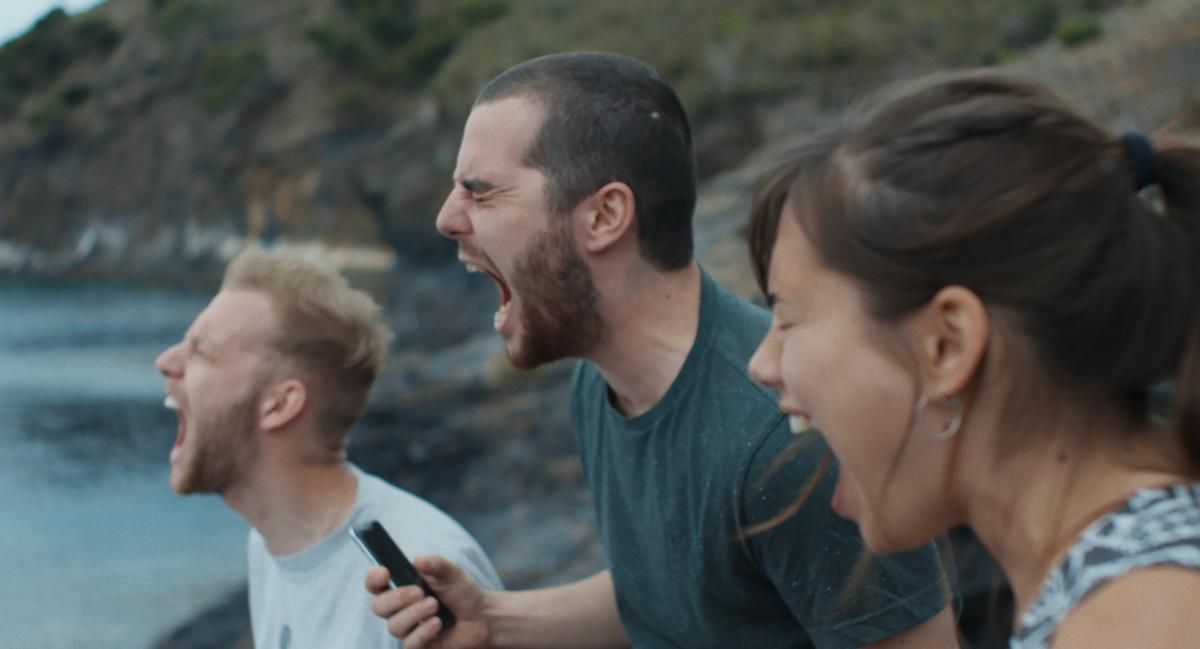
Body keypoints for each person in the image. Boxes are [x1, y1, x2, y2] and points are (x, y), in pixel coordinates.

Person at [366, 51, 957, 649]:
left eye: (480, 192)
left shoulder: (787, 436)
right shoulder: (599, 384)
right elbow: (668, 597)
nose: (446, 219)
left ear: (604, 215)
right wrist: (494, 621)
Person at [746, 69, 1200, 649]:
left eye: (786, 317)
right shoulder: (1122, 578)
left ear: (946, 345)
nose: (762, 363)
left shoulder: (1138, 621)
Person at [156, 247, 502, 648]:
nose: (166, 361)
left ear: (281, 404)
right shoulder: (271, 544)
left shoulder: (422, 575)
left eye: (201, 350)